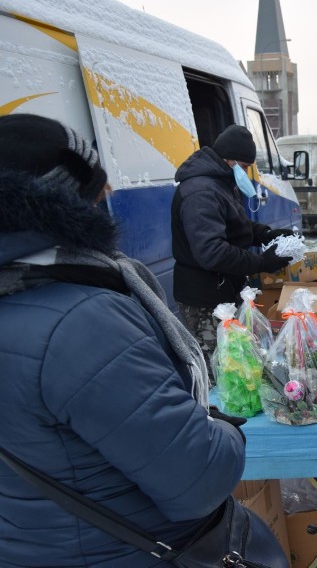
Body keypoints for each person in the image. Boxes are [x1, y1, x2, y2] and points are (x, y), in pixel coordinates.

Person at [0, 114, 250, 566]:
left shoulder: (28, 294)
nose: (109, 196)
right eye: (101, 188)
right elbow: (198, 480)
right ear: (69, 201)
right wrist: (224, 431)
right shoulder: (80, 321)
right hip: (130, 549)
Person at [171, 124, 292, 383]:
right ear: (230, 160)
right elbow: (211, 251)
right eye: (246, 166)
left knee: (239, 367)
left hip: (222, 290)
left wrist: (264, 233)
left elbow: (233, 223)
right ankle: (217, 421)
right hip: (204, 299)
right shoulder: (202, 191)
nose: (247, 172)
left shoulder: (219, 182)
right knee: (221, 374)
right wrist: (260, 263)